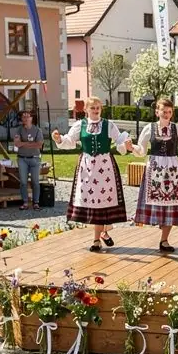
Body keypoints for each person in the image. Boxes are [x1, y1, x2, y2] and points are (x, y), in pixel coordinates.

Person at [52, 95, 132, 252]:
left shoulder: (109, 125)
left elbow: (119, 142)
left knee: (104, 201)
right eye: (92, 108)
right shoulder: (79, 125)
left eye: (98, 108)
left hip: (105, 168)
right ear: (86, 109)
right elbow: (69, 141)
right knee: (93, 202)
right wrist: (59, 139)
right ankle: (101, 234)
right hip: (87, 168)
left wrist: (125, 145)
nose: (96, 110)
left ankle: (98, 238)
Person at [130, 97, 178, 253]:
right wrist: (131, 147)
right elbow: (141, 151)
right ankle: (158, 233)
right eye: (163, 111)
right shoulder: (149, 128)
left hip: (173, 171)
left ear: (172, 113)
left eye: (169, 112)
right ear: (156, 112)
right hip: (155, 171)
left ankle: (164, 240)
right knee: (158, 203)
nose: (166, 114)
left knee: (172, 205)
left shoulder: (177, 129)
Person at [13, 109, 44, 212]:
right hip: (22, 158)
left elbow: (39, 145)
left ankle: (36, 202)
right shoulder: (19, 130)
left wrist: (24, 143)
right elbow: (17, 144)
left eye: (27, 116)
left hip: (34, 158)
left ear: (31, 118)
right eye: (24, 117)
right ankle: (25, 202)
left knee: (35, 181)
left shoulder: (37, 130)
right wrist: (31, 144)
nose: (25, 119)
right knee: (23, 181)